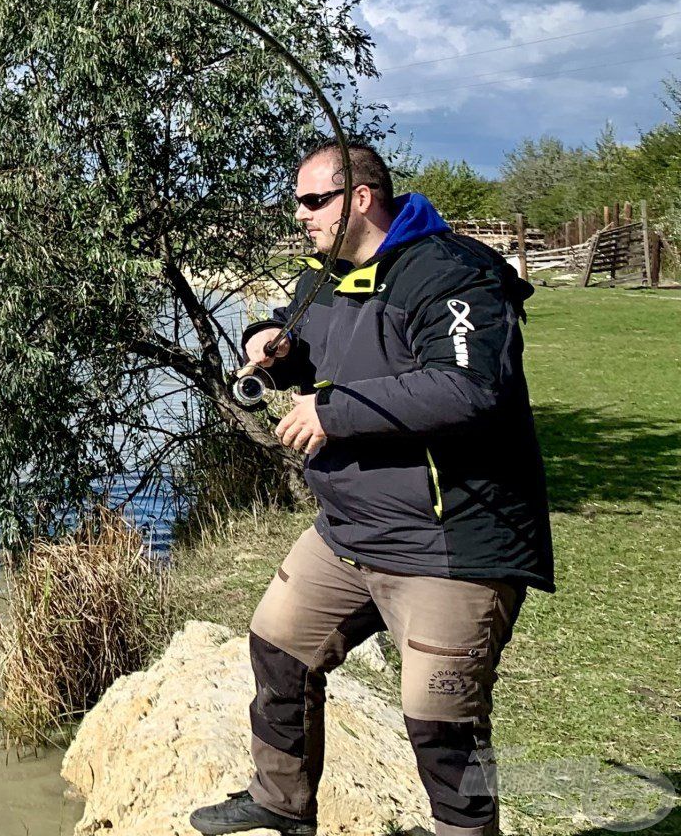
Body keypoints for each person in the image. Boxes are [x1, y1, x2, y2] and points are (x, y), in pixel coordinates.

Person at [190, 141, 553, 836]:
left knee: (440, 720)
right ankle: (279, 804)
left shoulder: (453, 273)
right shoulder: (326, 274)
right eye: (296, 202)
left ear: (361, 198)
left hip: (451, 541)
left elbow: (470, 388)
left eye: (314, 200)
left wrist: (332, 413)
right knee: (277, 647)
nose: (301, 215)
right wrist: (269, 339)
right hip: (349, 532)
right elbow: (298, 340)